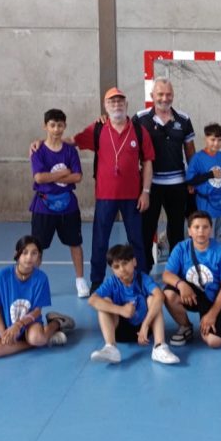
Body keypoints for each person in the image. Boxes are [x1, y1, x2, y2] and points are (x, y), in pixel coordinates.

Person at [66, 88, 154, 293]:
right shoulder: (97, 129)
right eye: (112, 102)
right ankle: (97, 281)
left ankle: (141, 279)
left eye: (120, 102)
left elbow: (148, 162)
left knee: (137, 240)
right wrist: (44, 143)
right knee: (100, 241)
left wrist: (146, 191)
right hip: (105, 196)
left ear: (126, 105)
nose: (117, 105)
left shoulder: (139, 131)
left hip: (133, 196)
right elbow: (73, 141)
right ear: (106, 106)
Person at [29, 108, 89, 298]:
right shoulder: (38, 150)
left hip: (68, 206)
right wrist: (63, 173)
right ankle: (34, 281)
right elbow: (39, 177)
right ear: (45, 126)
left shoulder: (70, 151)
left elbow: (78, 176)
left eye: (60, 125)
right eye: (52, 125)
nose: (56, 129)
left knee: (75, 243)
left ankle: (80, 280)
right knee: (38, 246)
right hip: (43, 206)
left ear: (65, 126)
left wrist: (51, 176)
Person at [137, 78, 196, 271]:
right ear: (152, 96)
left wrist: (192, 179)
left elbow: (190, 151)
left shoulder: (184, 119)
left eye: (168, 94)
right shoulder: (140, 118)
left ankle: (175, 269)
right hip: (150, 186)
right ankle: (145, 269)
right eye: (160, 94)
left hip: (177, 185)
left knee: (177, 230)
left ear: (173, 95)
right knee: (146, 229)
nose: (164, 98)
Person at [0, 235, 75, 358]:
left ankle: (57, 322)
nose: (29, 257)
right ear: (17, 254)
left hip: (30, 323)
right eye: (25, 252)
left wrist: (19, 325)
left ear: (39, 257)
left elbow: (37, 311)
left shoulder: (41, 278)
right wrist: (3, 333)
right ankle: (41, 341)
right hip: (8, 325)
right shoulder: (1, 276)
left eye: (34, 253)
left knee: (37, 338)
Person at [88, 243, 179, 365]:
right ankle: (111, 348)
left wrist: (145, 324)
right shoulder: (112, 282)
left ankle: (159, 347)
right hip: (119, 330)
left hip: (144, 329)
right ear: (112, 270)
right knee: (105, 302)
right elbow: (92, 300)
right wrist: (121, 310)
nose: (122, 269)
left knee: (153, 299)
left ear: (134, 262)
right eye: (116, 267)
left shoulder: (143, 279)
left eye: (125, 263)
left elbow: (160, 295)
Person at [161, 211, 221, 348]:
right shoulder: (181, 248)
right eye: (196, 227)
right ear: (189, 231)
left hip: (216, 297)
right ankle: (185, 326)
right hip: (193, 294)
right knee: (168, 294)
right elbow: (166, 275)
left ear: (211, 230)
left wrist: (212, 314)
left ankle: (208, 319)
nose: (201, 231)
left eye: (205, 227)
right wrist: (181, 285)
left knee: (214, 342)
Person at [186, 123, 221, 241]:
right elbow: (190, 180)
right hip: (206, 204)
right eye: (213, 139)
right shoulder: (197, 158)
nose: (216, 143)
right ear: (206, 138)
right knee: (206, 236)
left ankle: (216, 253)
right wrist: (210, 175)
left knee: (218, 236)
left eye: (219, 140)